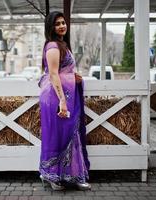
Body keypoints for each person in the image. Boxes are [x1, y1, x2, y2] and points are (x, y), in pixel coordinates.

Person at [38, 11, 91, 191]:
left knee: (71, 134)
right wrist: (62, 100)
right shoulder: (53, 45)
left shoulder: (62, 44)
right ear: (51, 27)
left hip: (64, 95)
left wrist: (73, 77)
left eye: (63, 22)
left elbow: (62, 71)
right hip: (56, 97)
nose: (62, 26)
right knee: (57, 137)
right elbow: (53, 74)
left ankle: (74, 175)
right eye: (57, 23)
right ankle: (53, 176)